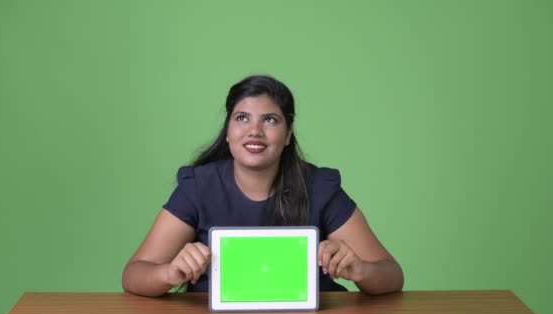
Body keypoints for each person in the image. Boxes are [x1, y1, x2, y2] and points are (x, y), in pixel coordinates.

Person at [122, 75, 404, 297]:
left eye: (270, 120)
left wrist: (359, 269)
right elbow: (134, 274)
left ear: (288, 135)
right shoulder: (198, 187)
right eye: (242, 118)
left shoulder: (319, 187)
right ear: (228, 131)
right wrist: (170, 274)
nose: (254, 130)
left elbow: (392, 274)